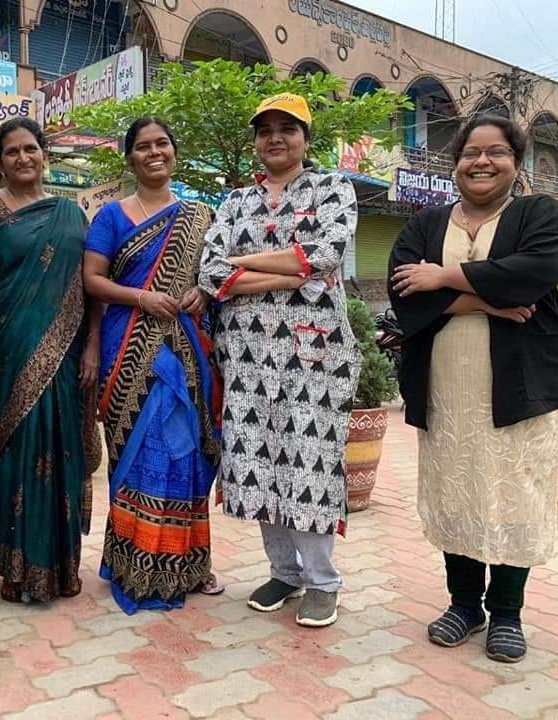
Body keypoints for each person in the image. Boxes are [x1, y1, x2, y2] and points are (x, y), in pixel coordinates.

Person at [388, 114, 558, 663]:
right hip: (447, 389)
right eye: (471, 152)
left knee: (515, 496)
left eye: (496, 152)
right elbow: (404, 291)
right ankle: (465, 605)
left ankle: (508, 613)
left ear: (516, 162)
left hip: (522, 388)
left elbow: (532, 274)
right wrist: (487, 303)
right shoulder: (426, 223)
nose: (482, 162)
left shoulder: (540, 215)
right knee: (457, 494)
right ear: (456, 163)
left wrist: (444, 277)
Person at [199, 93, 360, 628]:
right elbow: (211, 275)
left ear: (305, 139)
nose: (275, 138)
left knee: (309, 462)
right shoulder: (235, 202)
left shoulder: (332, 188)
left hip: (314, 357)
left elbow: (325, 255)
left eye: (287, 129)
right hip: (247, 360)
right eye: (265, 130)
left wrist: (242, 264)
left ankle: (323, 582)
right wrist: (292, 274)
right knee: (260, 462)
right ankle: (284, 573)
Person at [0, 117, 101, 603]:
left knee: (63, 453)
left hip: (67, 354)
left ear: (45, 156)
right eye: (12, 151)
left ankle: (61, 566)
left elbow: (88, 286)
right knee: (16, 454)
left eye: (30, 149)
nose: (23, 158)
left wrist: (92, 344)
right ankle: (18, 568)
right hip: (7, 350)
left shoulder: (70, 213)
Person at [83, 117, 223, 614]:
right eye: (143, 146)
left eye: (162, 143)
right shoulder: (111, 216)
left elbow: (218, 274)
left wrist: (202, 291)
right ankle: (135, 563)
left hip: (187, 350)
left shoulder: (201, 216)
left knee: (185, 455)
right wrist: (142, 297)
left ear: (174, 152)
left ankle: (188, 565)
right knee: (141, 452)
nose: (154, 152)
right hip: (129, 350)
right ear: (130, 158)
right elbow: (92, 280)